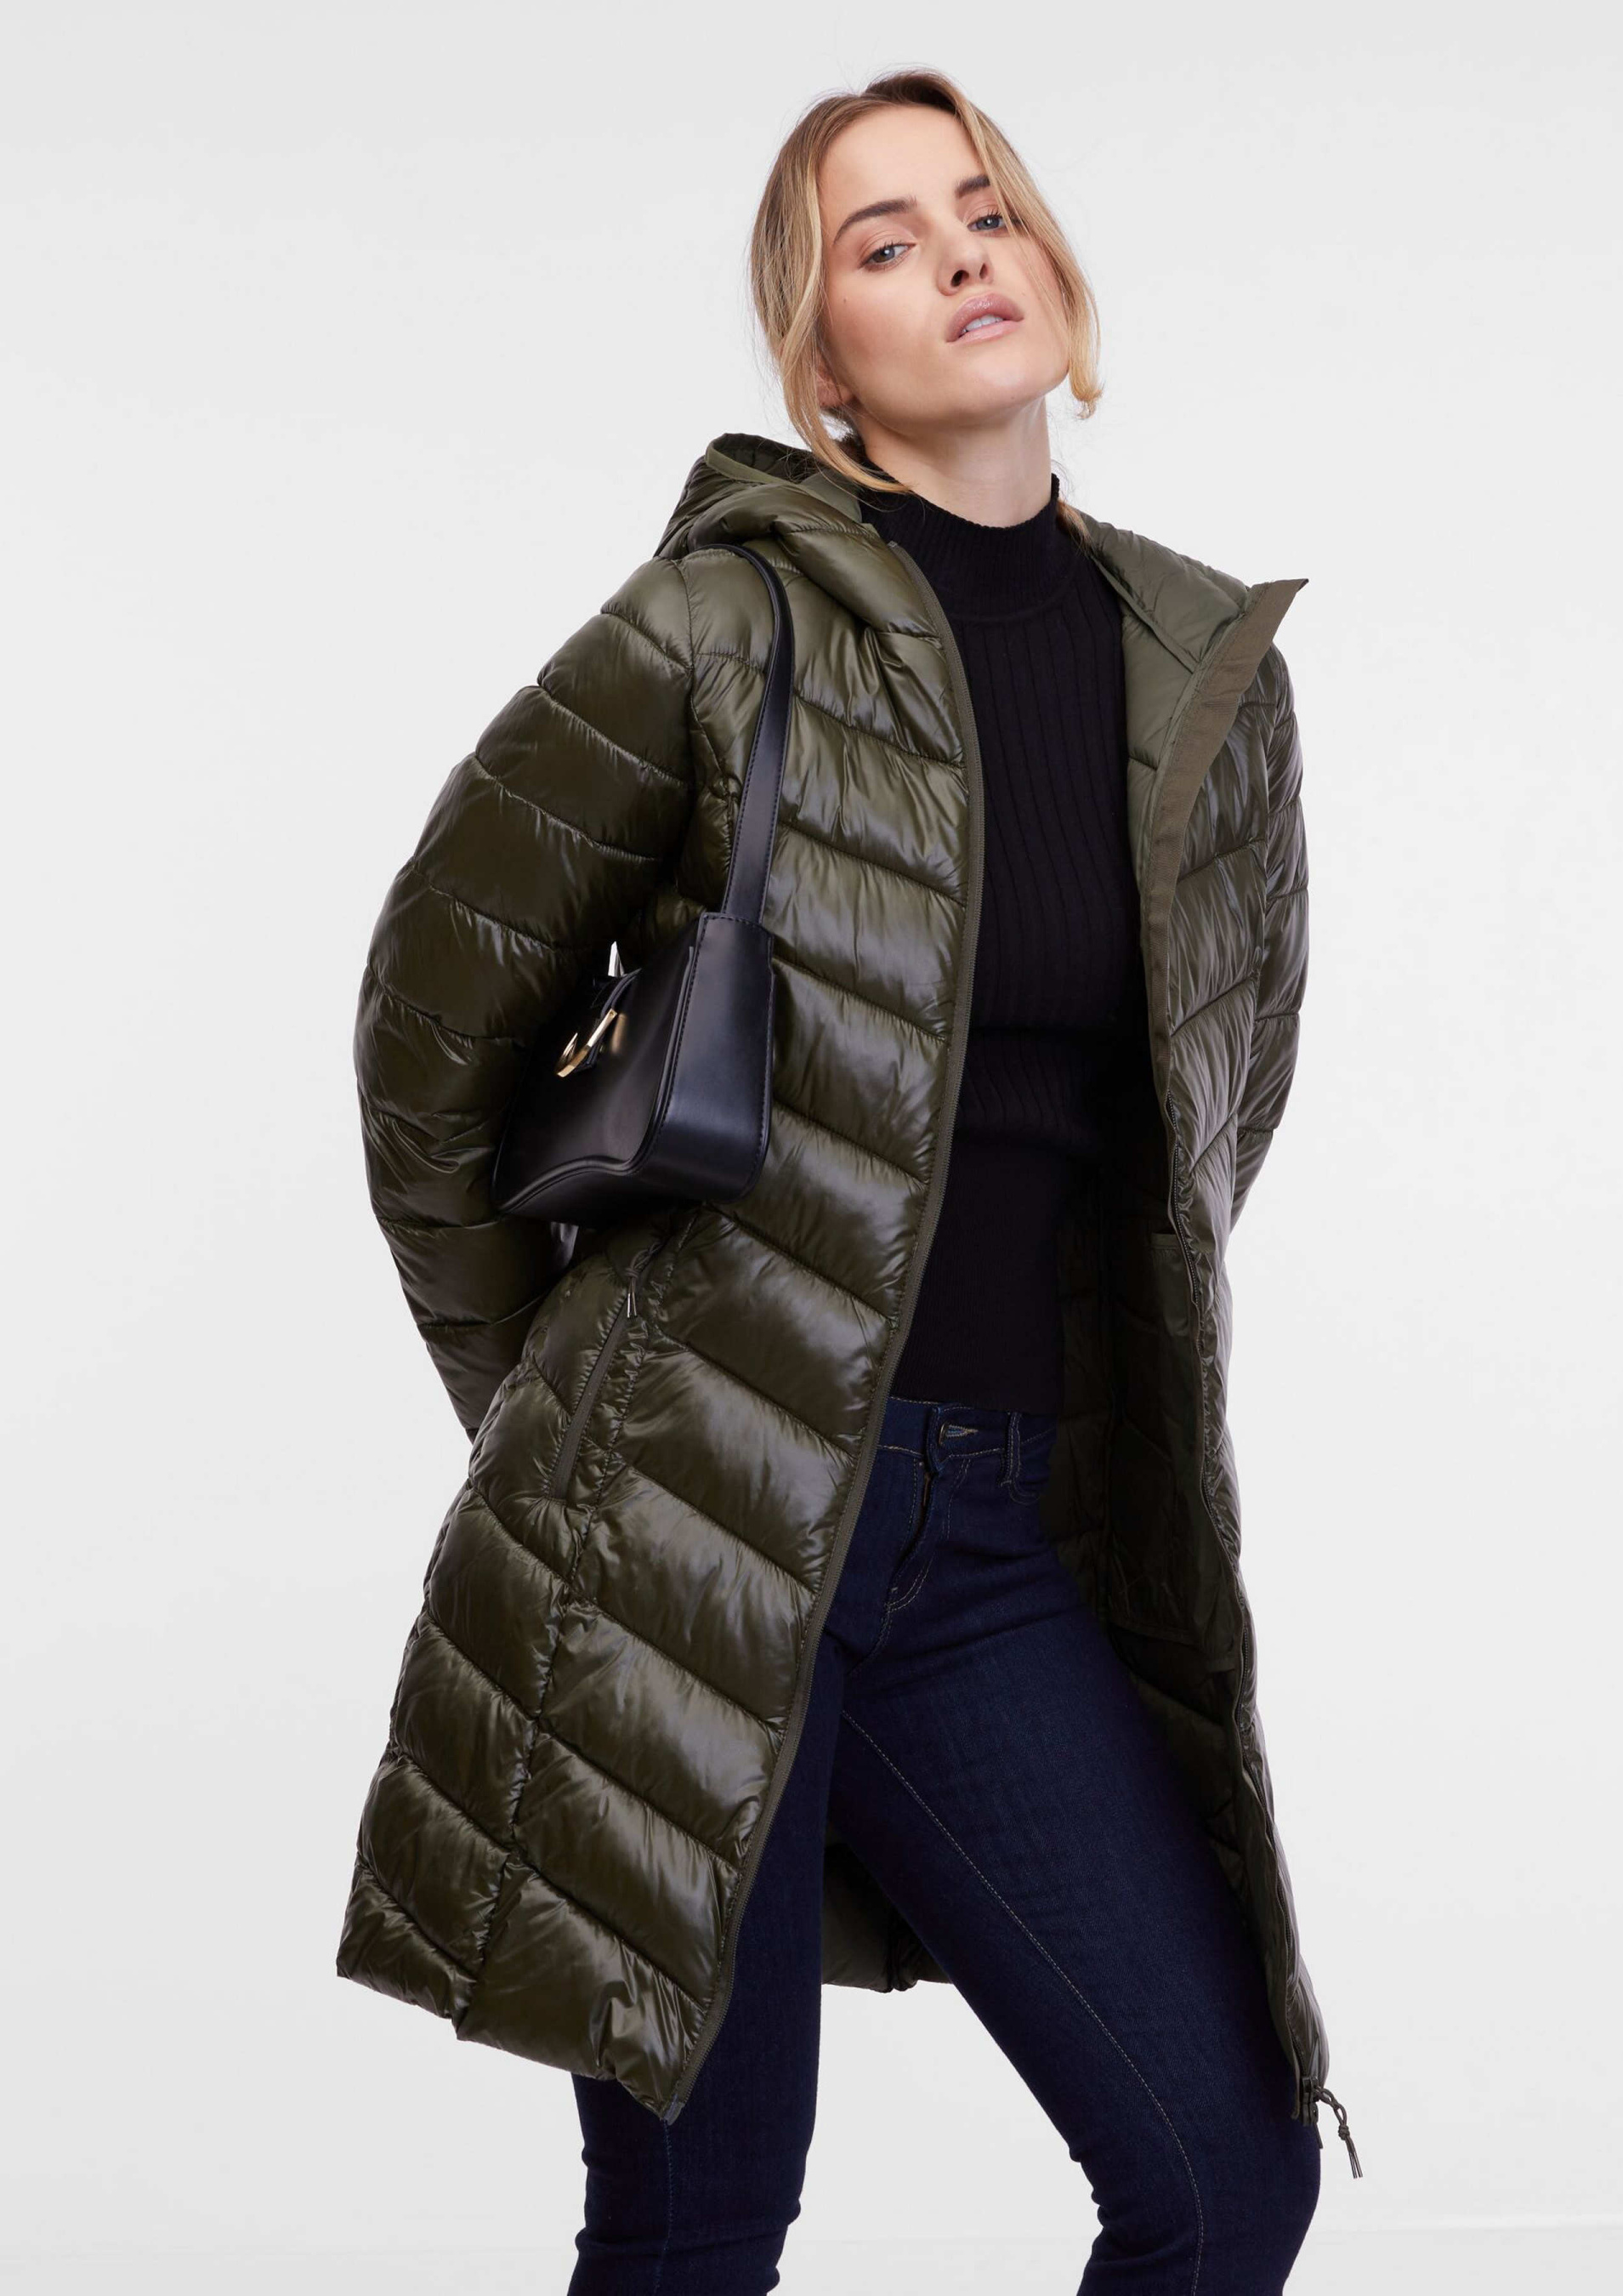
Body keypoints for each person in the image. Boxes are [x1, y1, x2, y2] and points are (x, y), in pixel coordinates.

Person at [335, 65, 1357, 2296]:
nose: (962, 253)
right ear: (824, 363)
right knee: (700, 2227)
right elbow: (430, 1037)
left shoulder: (1203, 681)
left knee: (1221, 2179)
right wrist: (571, 1415)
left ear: (1055, 265)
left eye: (986, 208)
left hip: (994, 1535)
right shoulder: (720, 629)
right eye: (884, 242)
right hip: (687, 1516)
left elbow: (1213, 1111)